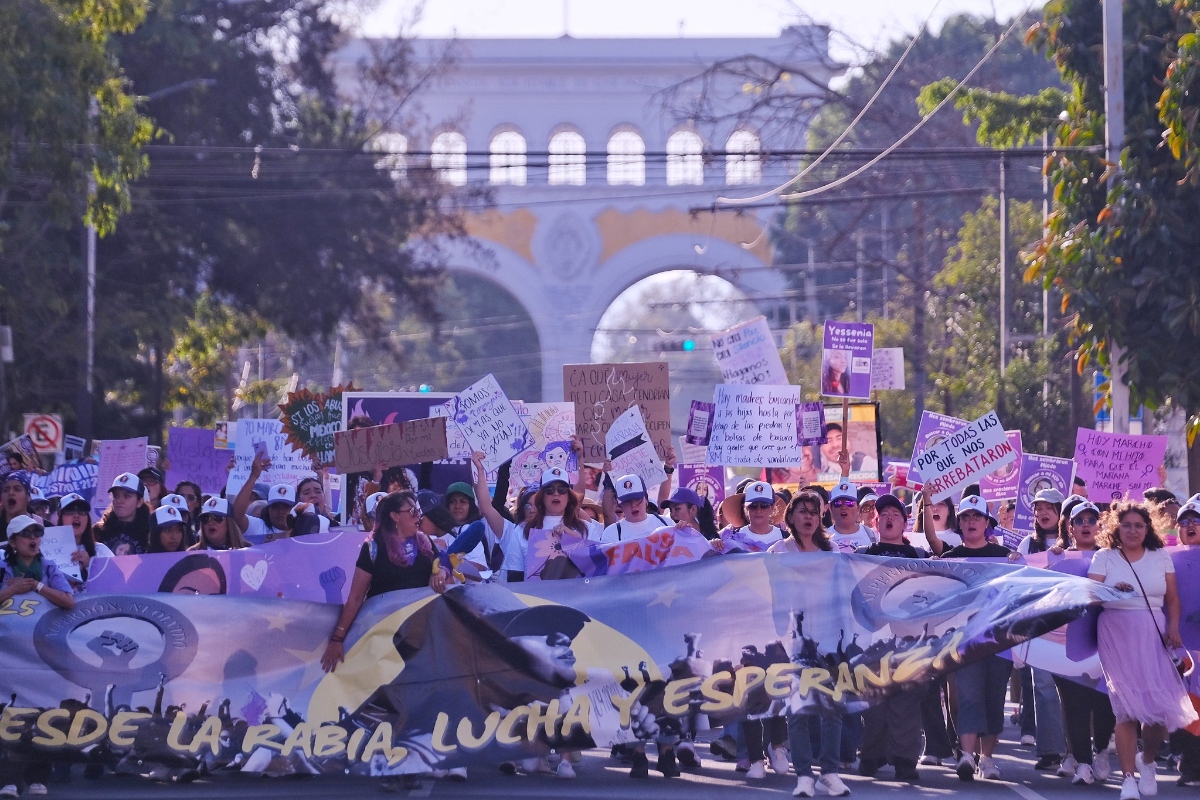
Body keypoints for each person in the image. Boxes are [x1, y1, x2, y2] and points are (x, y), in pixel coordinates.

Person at [1088, 502, 1198, 800]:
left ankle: (1147, 762)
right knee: (1124, 709)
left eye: (1139, 525)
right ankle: (1127, 779)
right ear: (1116, 528)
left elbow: (1173, 600)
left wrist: (1173, 627)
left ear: (1148, 529)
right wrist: (1111, 592)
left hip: (1153, 633)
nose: (1133, 530)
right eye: (1127, 525)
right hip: (1115, 633)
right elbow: (1089, 595)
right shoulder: (1105, 557)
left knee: (1158, 714)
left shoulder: (1160, 556)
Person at [759, 491, 848, 795]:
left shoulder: (832, 550)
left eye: (814, 512)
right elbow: (766, 596)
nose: (809, 517)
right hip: (791, 641)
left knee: (831, 709)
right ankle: (804, 776)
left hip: (827, 640)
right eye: (802, 511)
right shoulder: (777, 552)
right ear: (791, 517)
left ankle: (831, 772)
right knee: (797, 711)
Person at [321, 491, 450, 671]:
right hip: (385, 636)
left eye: (418, 511)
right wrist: (337, 638)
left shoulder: (424, 541)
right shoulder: (373, 547)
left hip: (420, 634)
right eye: (413, 511)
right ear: (395, 516)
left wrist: (442, 572)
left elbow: (444, 561)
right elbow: (356, 597)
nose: (418, 516)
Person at [0, 515, 76, 799]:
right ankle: (9, 779)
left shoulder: (48, 568)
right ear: (13, 542)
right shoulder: (2, 567)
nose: (33, 538)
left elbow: (69, 601)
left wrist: (38, 587)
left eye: (36, 533)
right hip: (7, 655)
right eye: (25, 534)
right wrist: (10, 591)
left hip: (41, 654)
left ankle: (38, 776)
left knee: (42, 711)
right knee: (9, 714)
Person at [940, 494, 1013, 782]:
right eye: (966, 517)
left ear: (987, 523)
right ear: (959, 523)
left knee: (994, 697)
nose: (971, 522)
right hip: (963, 640)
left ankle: (988, 758)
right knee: (969, 696)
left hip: (999, 638)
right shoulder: (948, 559)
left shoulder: (1005, 557)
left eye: (976, 517)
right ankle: (967, 756)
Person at [855, 493, 926, 784]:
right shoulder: (860, 554)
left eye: (895, 514)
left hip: (909, 641)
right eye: (882, 514)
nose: (888, 517)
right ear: (875, 521)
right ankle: (870, 755)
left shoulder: (919, 558)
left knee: (906, 704)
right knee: (873, 703)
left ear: (905, 523)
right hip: (872, 640)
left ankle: (905, 762)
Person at [1048, 499, 1116, 786]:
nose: (1086, 525)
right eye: (1080, 521)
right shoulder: (1057, 558)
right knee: (1074, 704)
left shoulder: (1115, 557)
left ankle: (1101, 751)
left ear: (1099, 525)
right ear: (1070, 527)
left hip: (1107, 642)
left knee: (1105, 703)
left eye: (1091, 520)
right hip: (1067, 643)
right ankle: (1083, 764)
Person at [56, 492, 112, 590]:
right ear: (60, 518)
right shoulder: (48, 551)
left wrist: (89, 566)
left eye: (82, 512)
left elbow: (117, 582)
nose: (76, 516)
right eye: (70, 511)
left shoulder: (101, 550)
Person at [233, 455, 294, 544]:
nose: (281, 511)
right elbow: (236, 515)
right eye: (275, 506)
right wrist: (253, 477)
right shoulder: (259, 527)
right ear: (268, 509)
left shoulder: (303, 528)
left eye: (286, 506)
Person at [93, 472, 152, 555]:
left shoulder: (150, 532)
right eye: (116, 496)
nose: (119, 501)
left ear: (139, 502)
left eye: (127, 496)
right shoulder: (98, 531)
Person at [714, 482, 785, 552]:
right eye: (753, 505)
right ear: (745, 507)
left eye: (764, 505)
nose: (758, 510)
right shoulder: (733, 538)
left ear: (772, 507)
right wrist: (713, 545)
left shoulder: (785, 538)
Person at [599, 475, 671, 544]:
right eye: (627, 502)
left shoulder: (666, 523)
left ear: (646, 499)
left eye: (637, 500)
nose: (633, 505)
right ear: (619, 505)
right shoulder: (611, 533)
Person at [827, 481, 875, 553]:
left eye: (849, 503)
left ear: (858, 508)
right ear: (831, 508)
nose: (843, 507)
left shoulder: (872, 536)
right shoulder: (823, 538)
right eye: (838, 503)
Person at [912, 489, 956, 555]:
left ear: (949, 510)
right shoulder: (912, 539)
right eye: (930, 504)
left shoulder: (962, 538)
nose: (935, 508)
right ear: (923, 510)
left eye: (940, 504)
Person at [0, 471, 33, 540]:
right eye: (6, 490)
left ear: (28, 496)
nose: (11, 493)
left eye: (17, 489)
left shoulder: (46, 526)